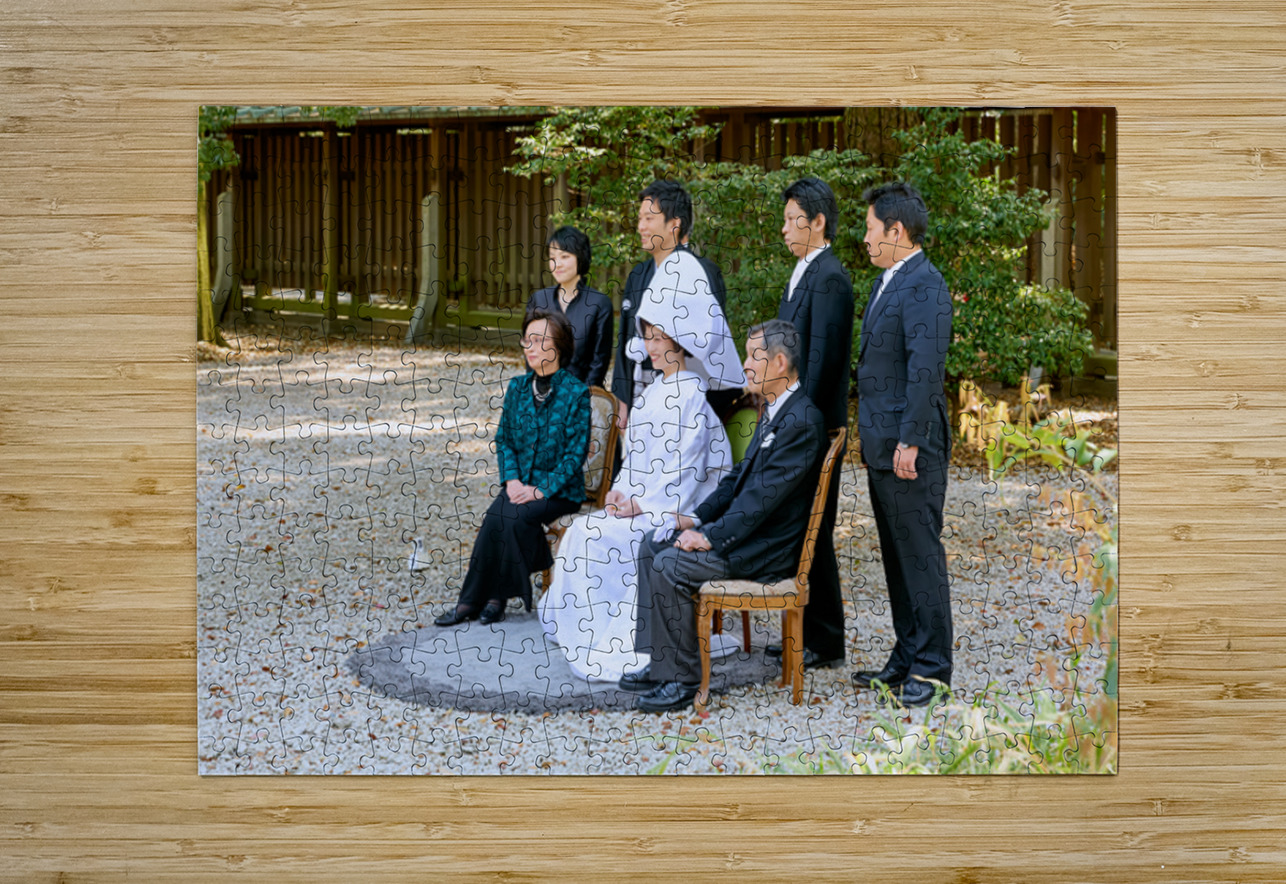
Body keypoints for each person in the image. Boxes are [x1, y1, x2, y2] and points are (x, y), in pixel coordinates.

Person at [621, 319, 827, 713]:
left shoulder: (802, 421)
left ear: (780, 363)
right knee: (653, 543)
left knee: (669, 565)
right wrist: (693, 519)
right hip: (745, 536)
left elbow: (759, 504)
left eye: (754, 356)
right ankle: (660, 664)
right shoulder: (775, 410)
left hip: (762, 551)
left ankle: (681, 682)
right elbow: (735, 484)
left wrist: (709, 537)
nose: (745, 364)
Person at [539, 293, 732, 683]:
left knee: (593, 537)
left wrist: (641, 505)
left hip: (674, 511)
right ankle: (582, 631)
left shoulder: (693, 398)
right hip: (644, 505)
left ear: (680, 342)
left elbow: (687, 475)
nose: (651, 347)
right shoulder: (652, 394)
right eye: (648, 337)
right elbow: (635, 464)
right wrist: (619, 493)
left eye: (660, 338)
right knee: (582, 531)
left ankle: (629, 639)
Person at [851, 182, 954, 707]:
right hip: (882, 446)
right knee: (895, 556)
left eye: (871, 228)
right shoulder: (888, 281)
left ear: (897, 231)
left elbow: (925, 371)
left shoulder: (925, 285)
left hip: (911, 448)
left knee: (920, 556)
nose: (865, 238)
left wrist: (911, 440)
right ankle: (908, 653)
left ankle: (933, 668)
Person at [433, 309, 591, 627]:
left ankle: (488, 599)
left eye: (538, 340)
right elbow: (504, 440)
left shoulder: (577, 393)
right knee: (497, 515)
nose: (529, 347)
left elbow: (575, 456)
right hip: (520, 485)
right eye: (526, 340)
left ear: (557, 345)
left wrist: (540, 489)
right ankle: (480, 601)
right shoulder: (518, 388)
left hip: (560, 491)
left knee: (514, 517)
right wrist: (513, 480)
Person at [767, 176, 855, 671]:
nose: (783, 229)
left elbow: (821, 365)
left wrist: (798, 422)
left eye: (791, 219)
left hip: (814, 427)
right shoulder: (802, 272)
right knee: (803, 529)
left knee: (814, 529)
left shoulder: (831, 278)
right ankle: (813, 631)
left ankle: (825, 637)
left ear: (817, 222)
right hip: (795, 419)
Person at [610, 180, 739, 432]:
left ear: (674, 223)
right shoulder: (638, 275)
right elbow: (625, 336)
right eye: (639, 219)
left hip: (689, 398)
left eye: (649, 218)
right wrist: (622, 398)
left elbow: (708, 342)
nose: (640, 227)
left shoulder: (703, 272)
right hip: (642, 391)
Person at [525, 225, 614, 387]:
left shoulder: (599, 303)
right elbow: (530, 355)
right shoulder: (538, 300)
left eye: (564, 256)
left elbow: (599, 362)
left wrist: (577, 399)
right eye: (552, 257)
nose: (557, 264)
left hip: (584, 396)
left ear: (580, 257)